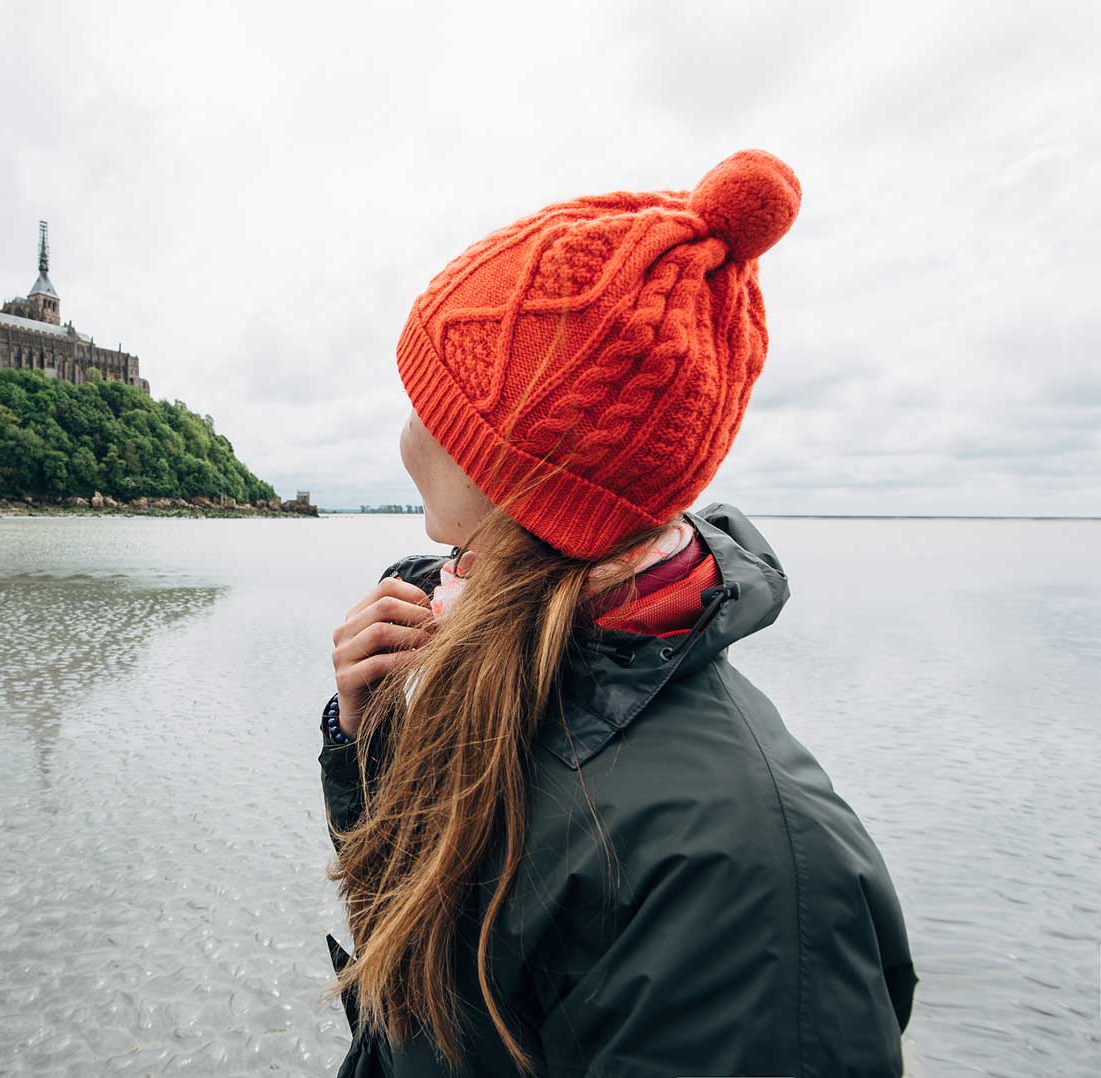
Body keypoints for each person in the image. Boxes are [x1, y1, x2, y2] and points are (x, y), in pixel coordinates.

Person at [318, 150, 916, 1077]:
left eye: (430, 392)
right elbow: (428, 1006)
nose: (406, 422)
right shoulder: (485, 655)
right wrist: (372, 751)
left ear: (508, 464)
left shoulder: (748, 873)